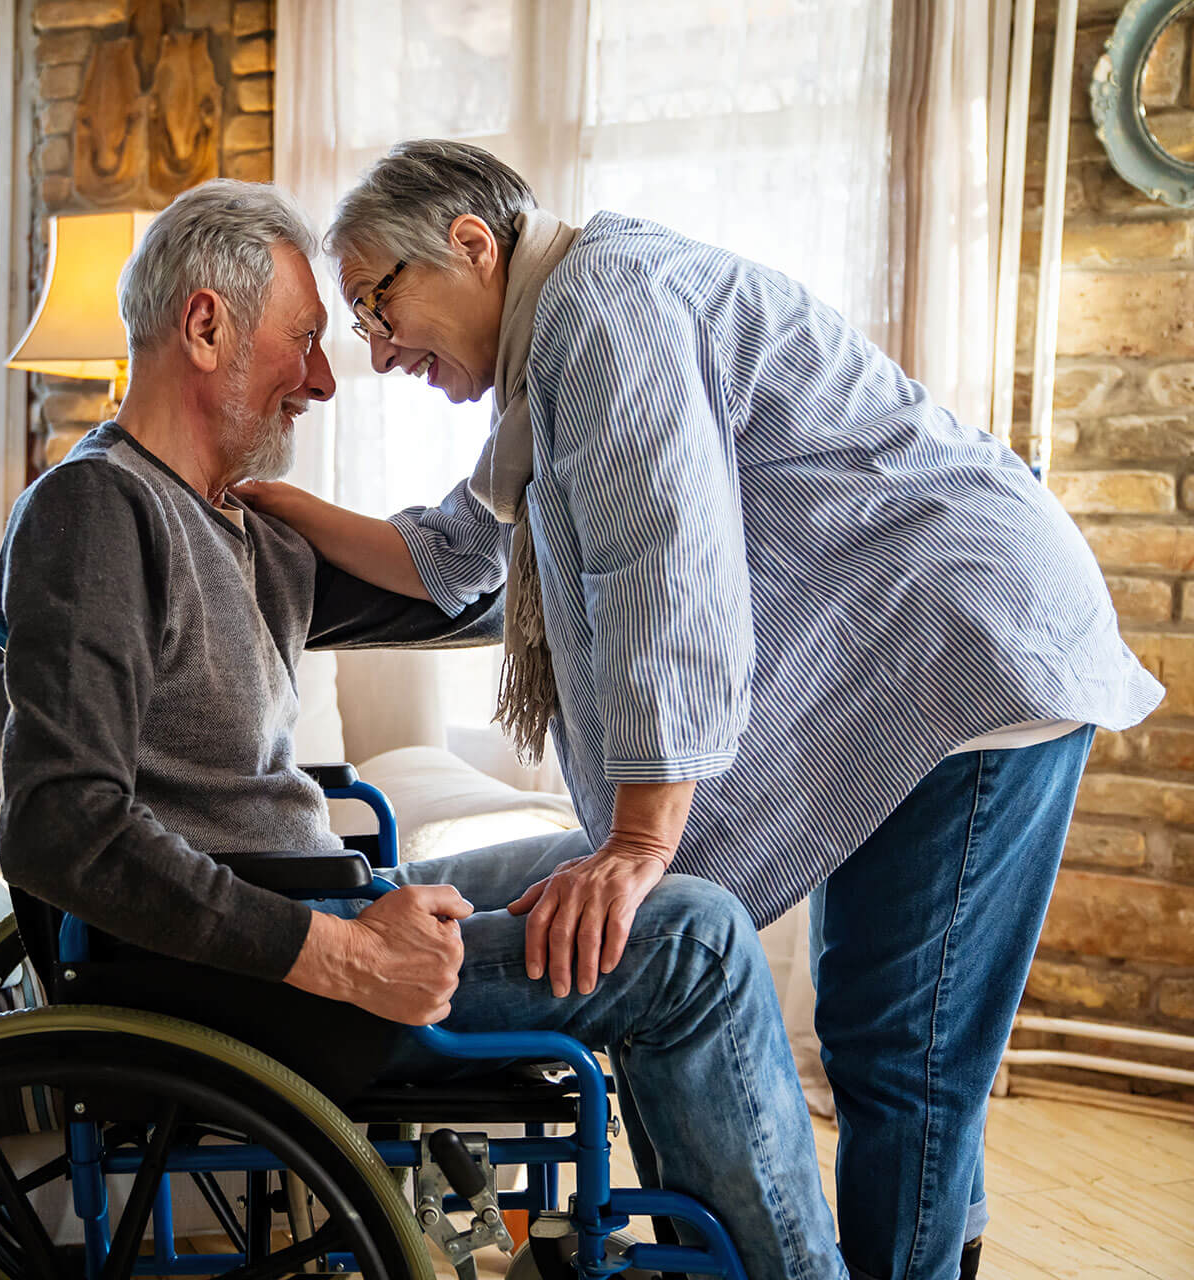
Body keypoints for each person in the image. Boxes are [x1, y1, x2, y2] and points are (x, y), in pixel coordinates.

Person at [236, 140, 1166, 1280]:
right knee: (892, 1029)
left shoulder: (605, 311)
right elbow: (450, 557)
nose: (377, 353)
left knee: (902, 1048)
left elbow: (662, 568)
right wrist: (267, 500)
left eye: (378, 307)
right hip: (931, 645)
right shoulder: (548, 353)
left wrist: (639, 840)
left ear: (472, 245)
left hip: (970, 644)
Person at [0, 178, 848, 1280]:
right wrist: (343, 953)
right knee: (695, 941)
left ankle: (678, 1256)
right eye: (303, 340)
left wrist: (612, 453)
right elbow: (63, 823)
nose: (325, 378)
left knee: (617, 876)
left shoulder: (236, 527)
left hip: (317, 910)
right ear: (205, 327)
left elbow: (474, 592)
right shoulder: (97, 509)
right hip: (257, 978)